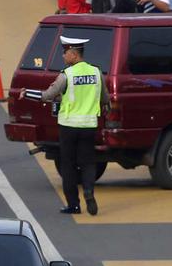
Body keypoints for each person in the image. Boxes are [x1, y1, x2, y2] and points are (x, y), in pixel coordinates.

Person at [25, 37, 109, 216]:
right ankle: (89, 192)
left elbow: (48, 95)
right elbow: (105, 99)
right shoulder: (96, 72)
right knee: (88, 163)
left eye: (65, 53)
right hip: (89, 125)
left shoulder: (66, 75)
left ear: (73, 54)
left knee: (68, 165)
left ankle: (74, 205)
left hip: (69, 126)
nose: (63, 56)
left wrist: (27, 94)